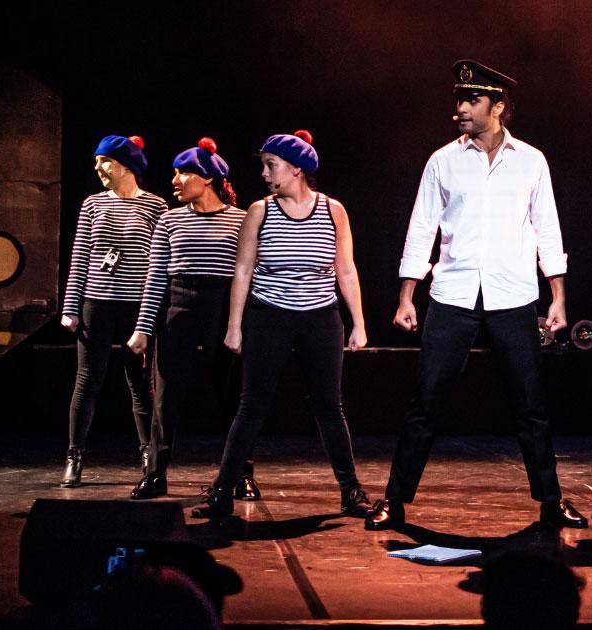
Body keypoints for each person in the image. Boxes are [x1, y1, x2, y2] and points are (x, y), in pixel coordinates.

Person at [364, 60, 587, 530]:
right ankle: (394, 499)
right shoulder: (442, 161)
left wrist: (558, 296)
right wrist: (406, 295)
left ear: (498, 106)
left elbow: (548, 229)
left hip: (513, 295)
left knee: (529, 404)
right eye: (459, 100)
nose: (460, 108)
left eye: (472, 100)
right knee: (426, 400)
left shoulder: (531, 161)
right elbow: (421, 228)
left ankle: (551, 501)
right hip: (453, 293)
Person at [192, 130, 372, 517]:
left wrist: (358, 322)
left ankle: (351, 490)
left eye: (271, 165)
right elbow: (243, 270)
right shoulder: (260, 211)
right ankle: (222, 490)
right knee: (251, 406)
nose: (264, 173)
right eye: (263, 165)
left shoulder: (333, 210)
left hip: (320, 317)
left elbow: (346, 269)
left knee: (330, 407)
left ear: (297, 169)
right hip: (269, 315)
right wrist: (235, 325)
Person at [125, 138, 258, 500]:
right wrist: (143, 328)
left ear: (208, 178)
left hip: (224, 306)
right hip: (179, 304)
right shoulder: (169, 220)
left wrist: (247, 324)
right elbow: (155, 277)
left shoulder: (242, 219)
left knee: (232, 394)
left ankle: (241, 472)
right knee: (165, 396)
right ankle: (155, 473)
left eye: (183, 173)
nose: (175, 180)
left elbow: (252, 273)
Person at [60, 135, 166, 488]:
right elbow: (80, 257)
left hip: (136, 307)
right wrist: (71, 307)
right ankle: (74, 456)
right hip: (97, 304)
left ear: (123, 165)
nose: (98, 168)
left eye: (103, 161)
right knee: (87, 380)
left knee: (140, 384)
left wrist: (147, 319)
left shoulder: (156, 206)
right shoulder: (92, 204)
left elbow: (158, 266)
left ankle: (149, 455)